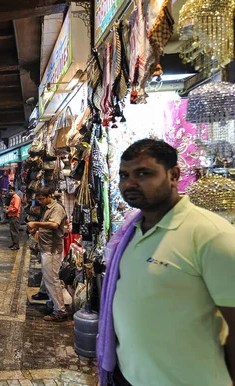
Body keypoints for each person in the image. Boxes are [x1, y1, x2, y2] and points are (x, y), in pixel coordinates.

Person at [97, 139, 235, 386]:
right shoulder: (130, 233)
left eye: (143, 173)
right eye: (124, 175)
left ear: (174, 175)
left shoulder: (211, 235)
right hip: (127, 376)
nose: (129, 183)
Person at [27, 187, 67, 321]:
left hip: (52, 249)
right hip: (45, 248)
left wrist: (36, 224)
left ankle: (60, 311)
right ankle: (52, 302)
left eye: (42, 199)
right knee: (48, 278)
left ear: (49, 196)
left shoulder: (57, 208)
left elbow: (54, 225)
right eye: (38, 199)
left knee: (52, 279)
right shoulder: (47, 207)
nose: (40, 201)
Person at [5, 186, 21, 251]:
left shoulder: (16, 198)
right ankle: (14, 243)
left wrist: (8, 210)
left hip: (15, 216)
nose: (10, 192)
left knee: (15, 231)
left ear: (14, 191)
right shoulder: (12, 197)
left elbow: (16, 208)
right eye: (9, 191)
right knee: (12, 231)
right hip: (12, 216)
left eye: (11, 191)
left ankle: (16, 245)